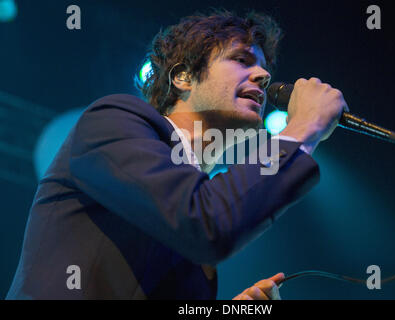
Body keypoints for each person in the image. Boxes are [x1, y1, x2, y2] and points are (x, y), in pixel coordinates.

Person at [6, 10, 347, 300]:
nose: (263, 74)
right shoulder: (113, 119)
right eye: (241, 60)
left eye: (262, 66)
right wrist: (303, 127)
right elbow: (206, 222)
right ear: (183, 77)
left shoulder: (197, 193)